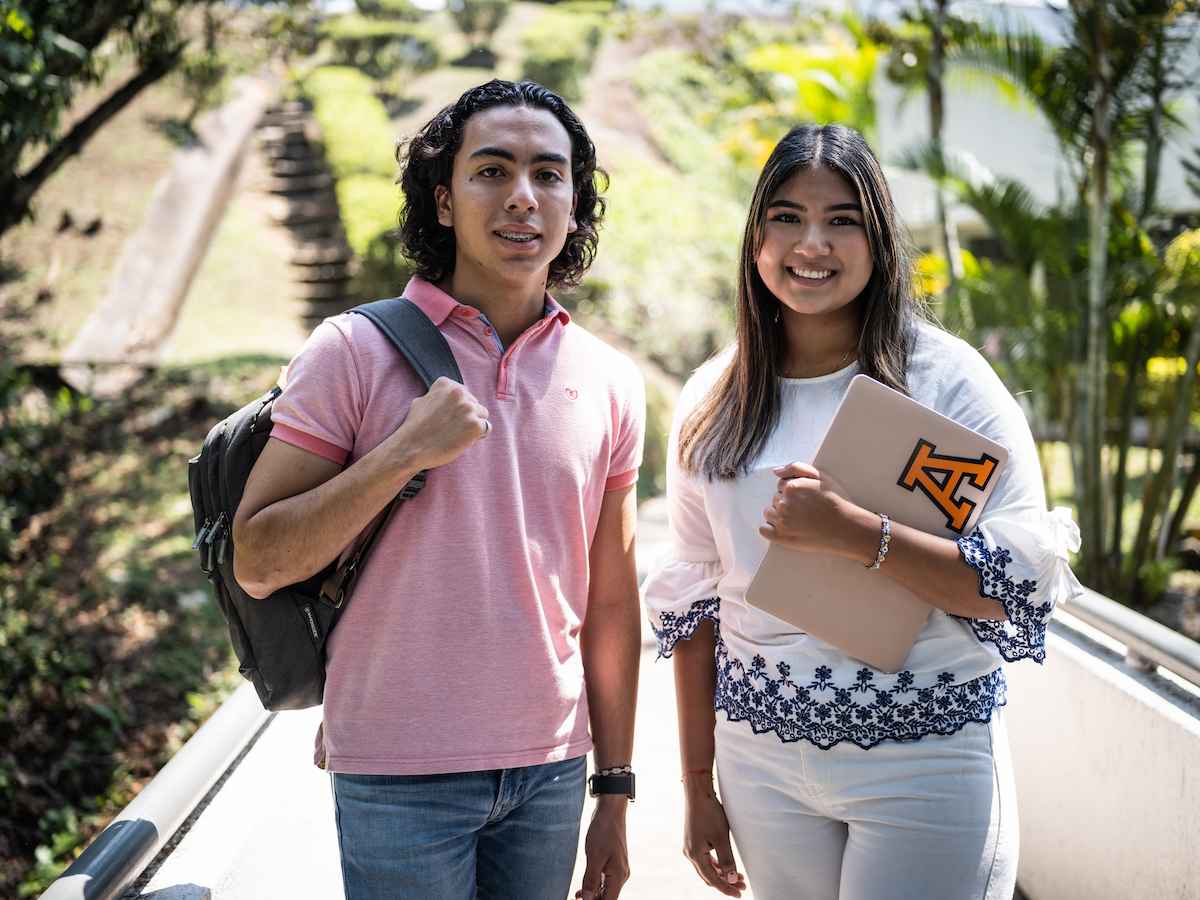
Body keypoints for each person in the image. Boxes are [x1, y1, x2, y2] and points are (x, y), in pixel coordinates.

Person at [643, 123, 1083, 900]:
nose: (811, 243)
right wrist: (697, 785)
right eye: (786, 216)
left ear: (878, 238)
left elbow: (1013, 587)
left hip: (926, 764)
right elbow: (697, 606)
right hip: (762, 769)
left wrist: (858, 534)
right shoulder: (714, 398)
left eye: (841, 220)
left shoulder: (947, 382)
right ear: (756, 239)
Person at [232, 80, 644, 900]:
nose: (522, 196)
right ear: (444, 200)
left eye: (548, 174)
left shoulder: (608, 378)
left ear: (574, 205)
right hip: (398, 772)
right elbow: (258, 558)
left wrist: (615, 788)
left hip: (551, 769)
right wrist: (402, 453)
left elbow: (610, 602)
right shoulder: (351, 351)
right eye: (491, 171)